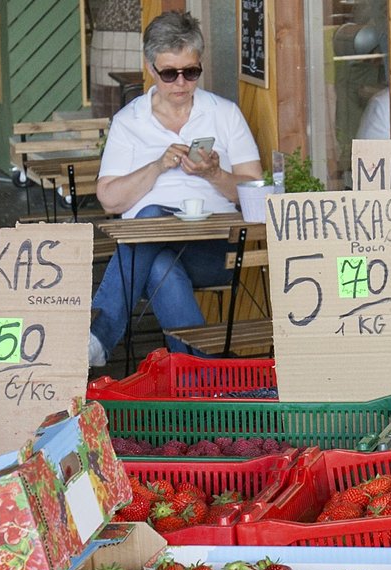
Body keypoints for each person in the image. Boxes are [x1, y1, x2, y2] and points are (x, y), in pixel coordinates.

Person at [89, 11, 262, 366]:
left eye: (191, 72)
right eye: (170, 73)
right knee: (158, 261)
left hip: (215, 251)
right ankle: (204, 382)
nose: (181, 83)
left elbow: (256, 192)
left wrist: (214, 174)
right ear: (151, 68)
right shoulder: (128, 121)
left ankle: (98, 338)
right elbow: (108, 198)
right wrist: (157, 166)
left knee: (150, 234)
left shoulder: (225, 114)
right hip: (149, 249)